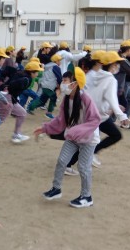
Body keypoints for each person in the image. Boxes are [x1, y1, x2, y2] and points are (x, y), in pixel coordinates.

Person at [34, 68, 101, 208]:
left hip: (88, 139)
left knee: (83, 167)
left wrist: (77, 130)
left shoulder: (85, 99)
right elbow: (61, 120)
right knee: (62, 161)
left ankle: (87, 197)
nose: (62, 83)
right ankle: (56, 189)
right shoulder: (66, 99)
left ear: (74, 83)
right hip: (72, 138)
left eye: (65, 80)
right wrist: (45, 128)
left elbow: (95, 120)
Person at [0, 60, 44, 144]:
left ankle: (16, 135)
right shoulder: (26, 79)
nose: (37, 74)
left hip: (10, 98)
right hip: (8, 98)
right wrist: (8, 90)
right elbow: (11, 86)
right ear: (32, 72)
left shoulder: (21, 73)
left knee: (22, 113)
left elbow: (8, 73)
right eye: (37, 72)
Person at [27, 53, 62, 119]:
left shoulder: (47, 66)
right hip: (49, 86)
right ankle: (49, 113)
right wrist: (60, 85)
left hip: (44, 84)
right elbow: (59, 77)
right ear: (56, 61)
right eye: (59, 60)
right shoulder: (56, 67)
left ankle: (30, 107)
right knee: (53, 97)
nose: (60, 62)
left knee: (42, 100)